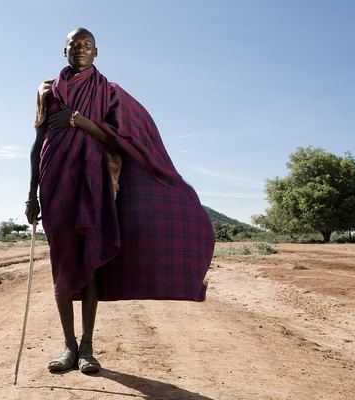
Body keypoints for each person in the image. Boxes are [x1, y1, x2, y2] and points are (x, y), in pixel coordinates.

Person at [25, 28, 215, 374]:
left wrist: (79, 121)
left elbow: (122, 136)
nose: (80, 50)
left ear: (97, 53)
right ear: (64, 50)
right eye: (74, 45)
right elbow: (38, 143)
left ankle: (87, 348)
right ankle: (67, 346)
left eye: (87, 46)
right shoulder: (46, 89)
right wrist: (30, 194)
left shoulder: (109, 92)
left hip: (94, 181)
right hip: (55, 181)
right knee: (63, 263)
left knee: (93, 261)